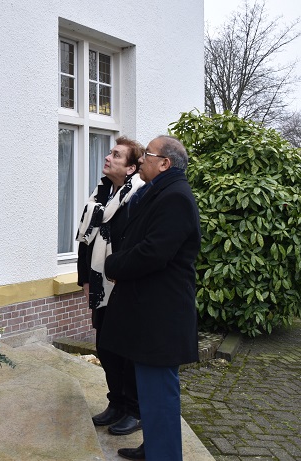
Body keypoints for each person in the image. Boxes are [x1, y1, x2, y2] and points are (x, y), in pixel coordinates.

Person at [100, 135, 201, 461]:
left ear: (165, 163)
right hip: (149, 313)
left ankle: (165, 455)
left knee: (160, 393)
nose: (141, 160)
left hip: (161, 316)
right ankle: (154, 448)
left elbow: (152, 253)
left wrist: (113, 264)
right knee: (150, 391)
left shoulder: (176, 198)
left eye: (148, 155)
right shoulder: (158, 193)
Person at [76, 136, 146, 436]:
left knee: (126, 350)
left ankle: (134, 409)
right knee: (105, 347)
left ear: (131, 168)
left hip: (123, 286)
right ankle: (115, 402)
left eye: (116, 155)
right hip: (101, 284)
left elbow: (135, 245)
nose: (108, 157)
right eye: (109, 153)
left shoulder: (138, 197)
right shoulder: (102, 192)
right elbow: (86, 241)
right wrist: (85, 279)